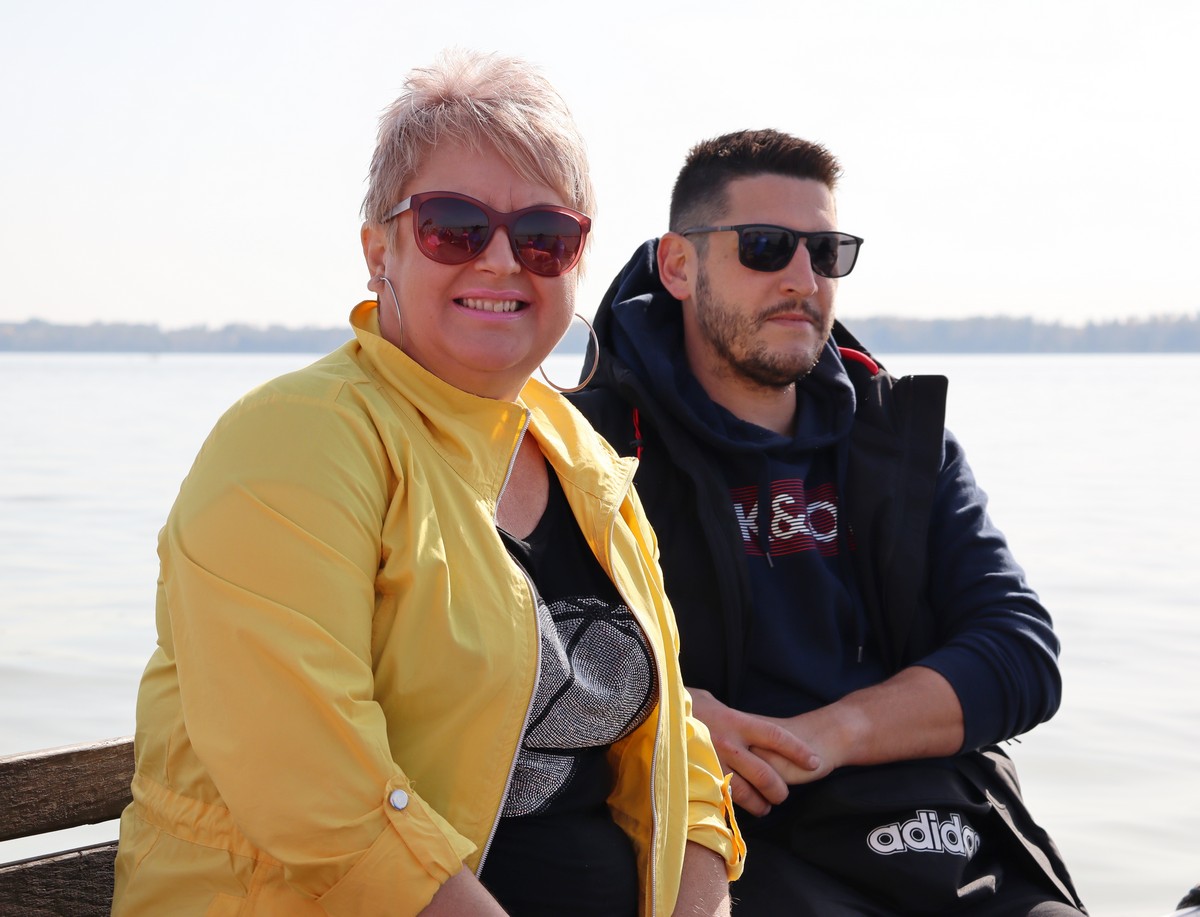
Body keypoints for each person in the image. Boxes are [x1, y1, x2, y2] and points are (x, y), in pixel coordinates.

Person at [110, 50, 743, 917]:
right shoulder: (297, 441)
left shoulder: (580, 456)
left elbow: (676, 748)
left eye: (544, 236)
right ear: (380, 252)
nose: (502, 260)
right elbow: (320, 797)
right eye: (454, 226)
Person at [568, 128, 1088, 915]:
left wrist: (832, 734)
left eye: (826, 252)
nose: (803, 278)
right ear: (678, 265)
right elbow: (534, 659)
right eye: (765, 247)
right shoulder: (594, 450)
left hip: (946, 832)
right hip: (742, 840)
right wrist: (670, 713)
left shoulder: (901, 439)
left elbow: (1020, 653)